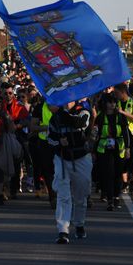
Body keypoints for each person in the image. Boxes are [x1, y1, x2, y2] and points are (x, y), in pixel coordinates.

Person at [48, 100, 95, 244]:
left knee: (81, 193)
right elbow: (50, 138)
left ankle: (79, 223)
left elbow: (80, 123)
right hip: (62, 158)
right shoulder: (54, 118)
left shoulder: (83, 111)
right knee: (63, 195)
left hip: (81, 158)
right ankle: (63, 230)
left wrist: (62, 113)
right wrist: (58, 142)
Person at [94, 93, 129, 211]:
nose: (112, 104)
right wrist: (93, 149)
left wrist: (128, 148)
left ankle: (116, 196)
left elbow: (125, 133)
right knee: (108, 174)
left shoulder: (120, 116)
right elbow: (96, 134)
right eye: (110, 102)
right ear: (105, 104)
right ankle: (110, 200)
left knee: (118, 174)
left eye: (114, 102)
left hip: (119, 149)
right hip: (104, 149)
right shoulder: (100, 116)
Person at [114, 83, 133, 195]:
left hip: (132, 134)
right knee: (122, 158)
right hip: (120, 134)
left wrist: (123, 112)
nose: (115, 95)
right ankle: (124, 183)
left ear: (123, 92)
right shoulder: (117, 103)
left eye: (117, 93)